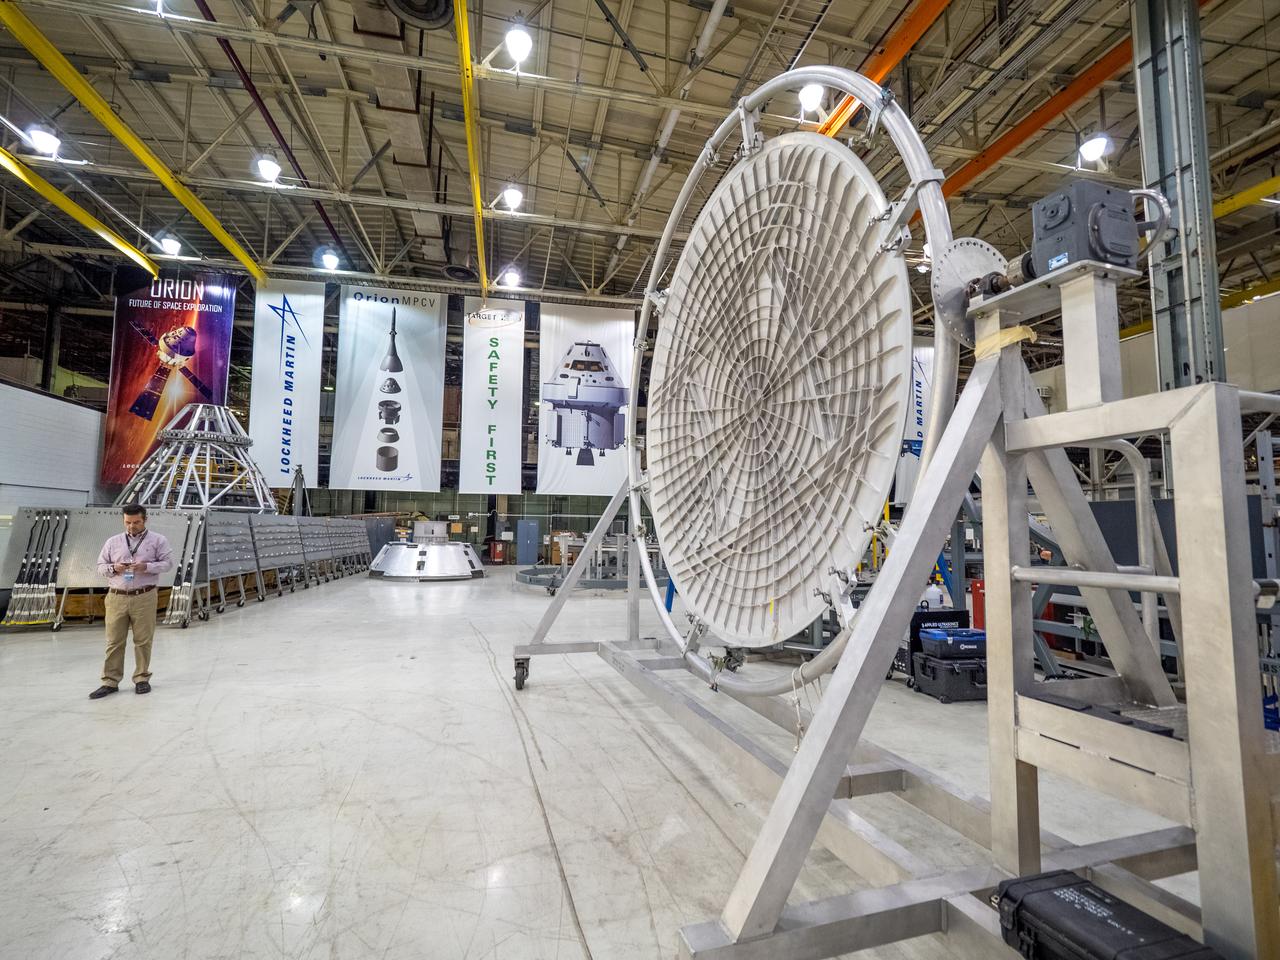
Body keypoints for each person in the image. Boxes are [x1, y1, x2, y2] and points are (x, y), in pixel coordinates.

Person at [88, 504, 173, 699]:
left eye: (136, 522)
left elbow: (167, 563)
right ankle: (110, 681)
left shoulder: (158, 540)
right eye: (128, 522)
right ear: (123, 520)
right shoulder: (113, 542)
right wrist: (114, 568)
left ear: (145, 520)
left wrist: (146, 566)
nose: (131, 527)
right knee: (114, 641)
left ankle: (141, 678)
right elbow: (101, 566)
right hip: (116, 596)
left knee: (143, 640)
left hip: (144, 596)